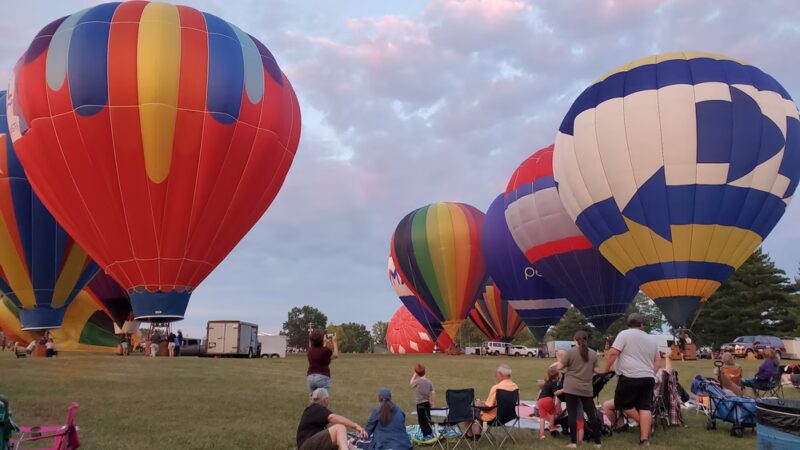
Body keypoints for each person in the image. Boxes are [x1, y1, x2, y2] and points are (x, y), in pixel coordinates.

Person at [604, 313, 659, 446]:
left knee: (623, 404)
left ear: (628, 324)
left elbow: (613, 353)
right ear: (642, 324)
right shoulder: (651, 339)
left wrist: (606, 370)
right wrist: (652, 372)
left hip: (630, 376)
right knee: (645, 407)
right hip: (648, 377)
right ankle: (644, 439)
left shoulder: (624, 334)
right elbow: (657, 358)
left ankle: (644, 423)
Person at [550, 331, 601, 448]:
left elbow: (559, 367)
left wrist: (560, 361)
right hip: (586, 388)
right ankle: (598, 442)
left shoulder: (570, 352)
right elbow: (597, 370)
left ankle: (573, 442)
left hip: (571, 387)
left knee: (572, 414)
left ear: (575, 340)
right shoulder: (593, 353)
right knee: (591, 415)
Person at [296, 388, 366, 450]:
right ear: (325, 400)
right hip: (306, 446)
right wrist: (355, 426)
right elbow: (333, 417)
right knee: (340, 428)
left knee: (342, 440)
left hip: (310, 445)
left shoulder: (313, 410)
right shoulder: (315, 408)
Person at [472, 364, 519, 435]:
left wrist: (478, 403)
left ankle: (471, 434)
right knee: (479, 408)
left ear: (501, 374)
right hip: (509, 416)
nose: (496, 377)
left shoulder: (497, 388)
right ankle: (479, 433)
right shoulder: (515, 387)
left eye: (497, 375)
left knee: (473, 408)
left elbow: (487, 407)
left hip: (494, 418)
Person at [307, 330, 339, 394]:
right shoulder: (326, 351)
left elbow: (320, 352)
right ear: (321, 339)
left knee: (313, 398)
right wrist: (334, 342)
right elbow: (335, 355)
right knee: (323, 398)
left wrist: (325, 343)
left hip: (310, 377)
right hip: (322, 376)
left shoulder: (310, 350)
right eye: (324, 336)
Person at [410, 364, 436, 442]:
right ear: (425, 371)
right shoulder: (429, 382)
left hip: (419, 404)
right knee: (428, 418)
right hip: (427, 403)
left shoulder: (417, 382)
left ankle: (425, 434)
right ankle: (430, 432)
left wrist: (415, 374)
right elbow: (433, 391)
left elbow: (411, 383)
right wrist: (432, 402)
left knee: (421, 420)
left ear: (417, 373)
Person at [537, 367, 561, 439]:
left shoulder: (547, 382)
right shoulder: (553, 383)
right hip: (548, 399)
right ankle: (551, 426)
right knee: (552, 413)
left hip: (540, 401)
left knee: (542, 418)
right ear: (556, 377)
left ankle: (542, 434)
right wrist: (563, 390)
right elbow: (556, 393)